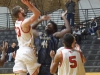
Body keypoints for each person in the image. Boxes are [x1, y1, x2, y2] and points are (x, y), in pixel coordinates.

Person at [31, 11, 71, 75]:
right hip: (39, 65)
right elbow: (30, 29)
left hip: (51, 64)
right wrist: (41, 19)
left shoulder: (55, 35)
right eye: (47, 25)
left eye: (50, 25)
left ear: (54, 29)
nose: (47, 25)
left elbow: (68, 30)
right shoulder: (40, 34)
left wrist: (63, 17)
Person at [12, 0, 41, 75]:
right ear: (19, 14)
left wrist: (32, 8)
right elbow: (38, 14)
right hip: (27, 51)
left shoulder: (16, 23)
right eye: (22, 9)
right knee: (34, 73)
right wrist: (29, 5)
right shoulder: (24, 23)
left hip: (19, 52)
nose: (23, 10)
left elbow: (34, 20)